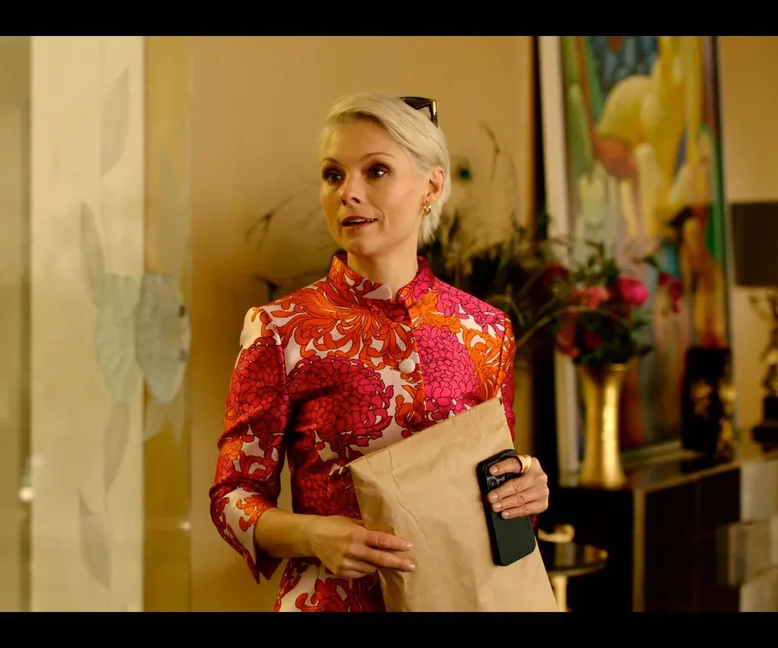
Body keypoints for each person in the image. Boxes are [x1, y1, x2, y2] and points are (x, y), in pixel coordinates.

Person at [208, 93, 550, 612]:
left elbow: (492, 481)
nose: (349, 192)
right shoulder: (281, 329)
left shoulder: (486, 329)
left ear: (431, 186)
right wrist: (313, 535)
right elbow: (232, 497)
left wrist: (525, 485)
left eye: (376, 171)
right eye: (333, 175)